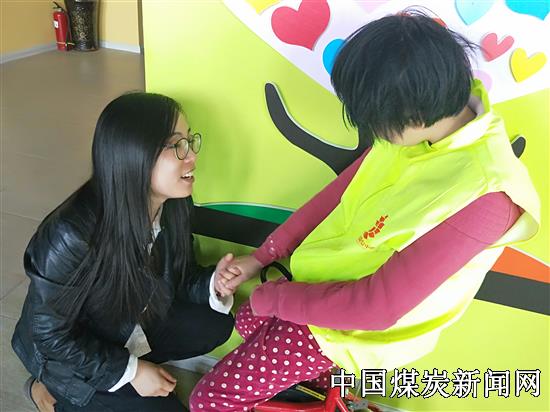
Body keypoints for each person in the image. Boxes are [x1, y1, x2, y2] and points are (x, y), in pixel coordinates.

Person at [190, 10, 540, 411]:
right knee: (245, 321)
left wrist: (274, 297)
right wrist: (263, 256)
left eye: (375, 120)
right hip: (320, 286)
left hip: (350, 331)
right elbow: (337, 195)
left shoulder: (487, 195)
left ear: (411, 116)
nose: (374, 131)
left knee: (209, 400)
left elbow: (376, 308)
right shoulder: (426, 128)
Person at [11, 92, 237, 411]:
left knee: (215, 322)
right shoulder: (72, 234)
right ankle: (49, 392)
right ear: (135, 156)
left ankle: (125, 383)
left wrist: (214, 283)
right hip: (67, 356)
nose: (192, 156)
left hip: (127, 322)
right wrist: (131, 372)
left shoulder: (172, 203)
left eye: (189, 141)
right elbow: (51, 337)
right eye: (177, 145)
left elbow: (180, 275)